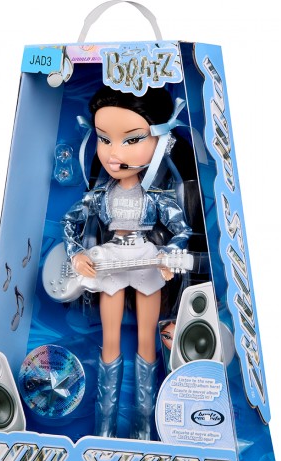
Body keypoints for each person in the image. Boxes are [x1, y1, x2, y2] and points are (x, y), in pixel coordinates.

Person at [61, 85, 193, 440]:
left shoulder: (158, 196)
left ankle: (143, 432)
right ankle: (103, 431)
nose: (113, 152)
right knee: (110, 343)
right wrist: (77, 253)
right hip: (110, 259)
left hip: (147, 259)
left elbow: (181, 229)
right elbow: (69, 222)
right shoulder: (99, 195)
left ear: (160, 140)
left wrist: (168, 255)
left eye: (131, 140)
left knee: (147, 343)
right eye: (104, 139)